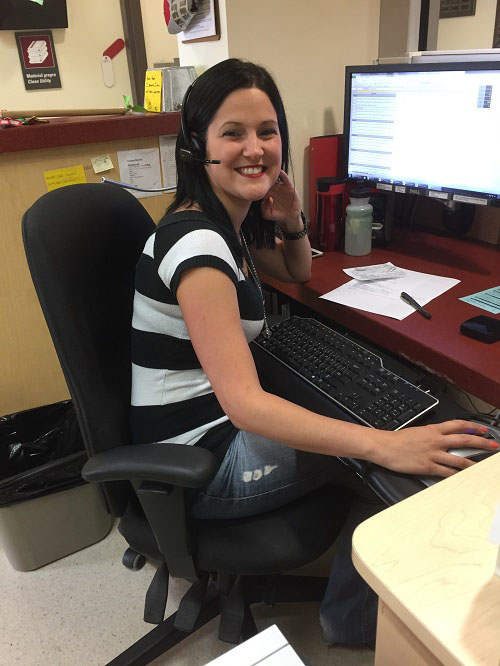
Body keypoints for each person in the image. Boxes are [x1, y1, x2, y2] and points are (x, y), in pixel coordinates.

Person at [130, 58, 494, 647]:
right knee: (386, 448)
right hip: (201, 457)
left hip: (211, 424)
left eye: (268, 131)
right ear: (198, 147)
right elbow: (247, 406)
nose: (256, 148)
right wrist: (386, 443)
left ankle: (368, 591)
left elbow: (297, 271)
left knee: (394, 424)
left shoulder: (222, 225)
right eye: (234, 133)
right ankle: (353, 617)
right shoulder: (198, 247)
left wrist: (291, 215)